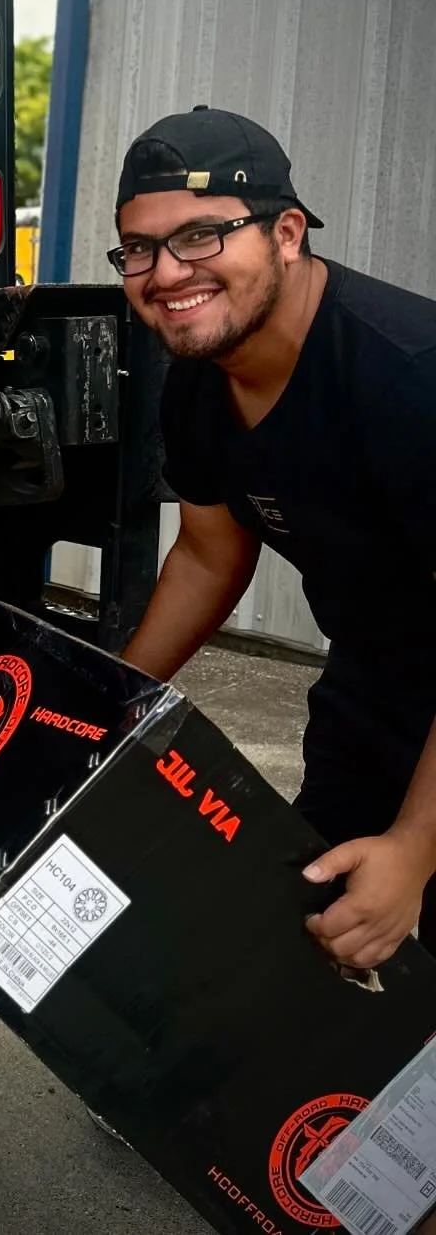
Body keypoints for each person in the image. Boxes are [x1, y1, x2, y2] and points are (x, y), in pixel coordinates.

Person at [115, 106, 436, 969]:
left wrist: (414, 847)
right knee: (326, 932)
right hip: (376, 682)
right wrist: (112, 708)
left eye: (200, 236)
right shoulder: (197, 384)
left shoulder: (409, 377)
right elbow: (210, 553)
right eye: (138, 248)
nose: (165, 272)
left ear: (287, 233)